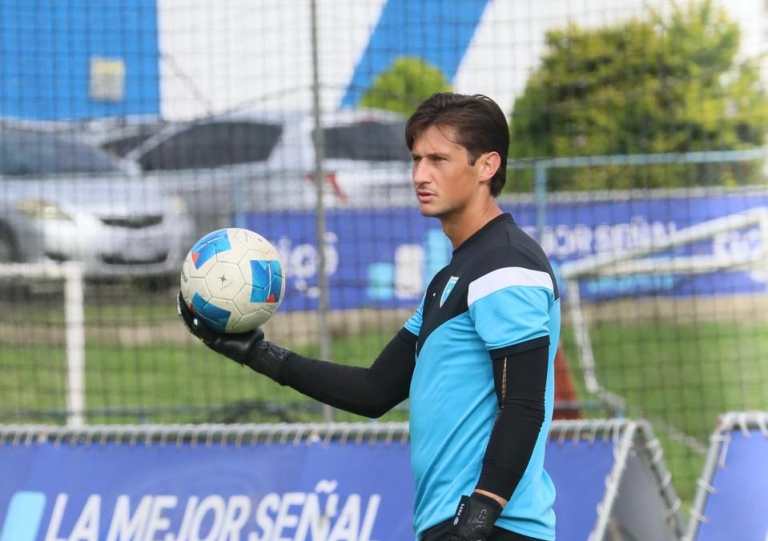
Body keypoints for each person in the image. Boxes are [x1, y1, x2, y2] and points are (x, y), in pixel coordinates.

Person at [178, 92, 560, 541]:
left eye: (438, 159)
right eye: (416, 159)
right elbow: (375, 391)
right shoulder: (451, 277)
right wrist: (257, 353)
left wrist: (482, 511)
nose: (420, 175)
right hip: (456, 524)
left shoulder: (507, 265)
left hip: (496, 528)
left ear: (487, 166)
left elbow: (523, 405)